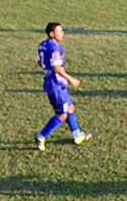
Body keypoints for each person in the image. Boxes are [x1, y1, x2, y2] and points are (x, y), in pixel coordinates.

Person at [35, 22, 92, 151]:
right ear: (52, 34)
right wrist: (71, 79)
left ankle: (77, 135)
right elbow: (56, 67)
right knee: (62, 115)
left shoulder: (42, 45)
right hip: (56, 86)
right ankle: (41, 136)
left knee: (70, 107)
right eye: (59, 31)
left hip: (53, 83)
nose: (62, 33)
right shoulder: (55, 48)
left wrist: (47, 70)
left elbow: (40, 62)